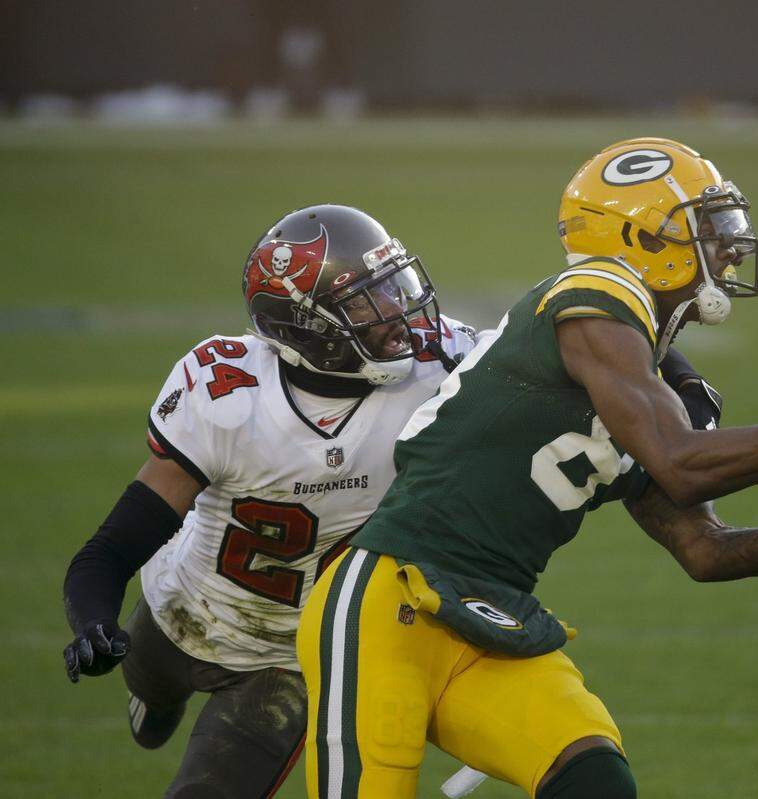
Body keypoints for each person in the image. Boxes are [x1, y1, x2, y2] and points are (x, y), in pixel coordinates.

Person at [298, 139, 758, 799]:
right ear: (641, 239)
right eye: (705, 226)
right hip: (389, 604)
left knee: (597, 781)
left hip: (488, 619)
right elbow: (683, 465)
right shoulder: (596, 301)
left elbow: (705, 548)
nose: (728, 246)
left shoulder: (656, 376)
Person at [61, 204, 481, 798]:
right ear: (305, 325)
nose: (396, 313)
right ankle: (153, 700)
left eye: (392, 285)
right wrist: (93, 620)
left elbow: (558, 355)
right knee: (153, 711)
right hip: (182, 613)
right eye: (366, 300)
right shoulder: (227, 393)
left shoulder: (440, 361)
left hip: (293, 654)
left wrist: (649, 362)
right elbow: (113, 545)